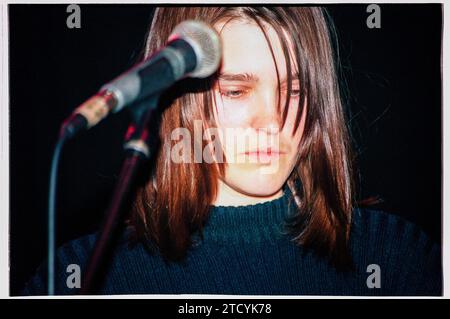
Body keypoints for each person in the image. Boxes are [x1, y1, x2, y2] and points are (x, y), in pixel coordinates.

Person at [22, 6, 441, 296]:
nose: (272, 121)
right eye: (238, 91)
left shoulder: (396, 258)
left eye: (294, 90)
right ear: (178, 96)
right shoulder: (82, 275)